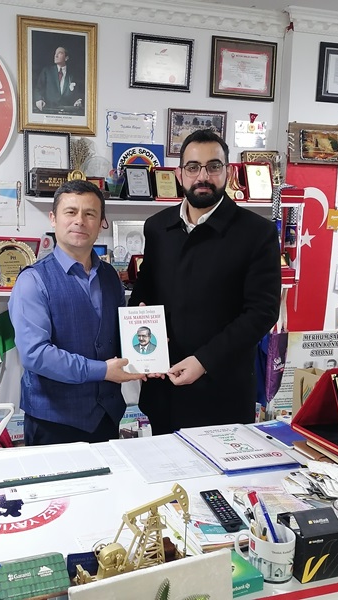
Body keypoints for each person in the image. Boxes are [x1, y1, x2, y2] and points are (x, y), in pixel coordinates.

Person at [129, 129, 281, 434]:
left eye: (213, 166)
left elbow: (262, 312)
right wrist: (141, 338)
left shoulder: (256, 232)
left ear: (228, 172)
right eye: (193, 167)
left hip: (221, 394)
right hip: (164, 388)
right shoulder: (158, 227)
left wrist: (203, 361)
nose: (203, 176)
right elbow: (144, 291)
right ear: (179, 174)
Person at [9, 180, 145, 446]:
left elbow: (113, 339)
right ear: (53, 218)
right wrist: (102, 371)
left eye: (90, 213)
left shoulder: (110, 276)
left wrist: (146, 337)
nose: (80, 221)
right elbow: (35, 355)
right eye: (71, 212)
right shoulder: (32, 280)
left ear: (102, 223)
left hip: (106, 417)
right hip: (53, 423)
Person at [33, 46, 83, 114]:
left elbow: (79, 92)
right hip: (49, 111)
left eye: (60, 53)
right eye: (55, 53)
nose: (56, 56)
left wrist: (79, 100)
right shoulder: (47, 71)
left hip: (68, 112)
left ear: (66, 58)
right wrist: (39, 99)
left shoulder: (73, 74)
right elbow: (38, 89)